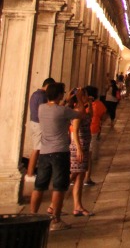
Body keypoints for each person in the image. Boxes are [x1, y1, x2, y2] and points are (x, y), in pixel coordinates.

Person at [30, 83, 83, 231]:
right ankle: (56, 220)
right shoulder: (63, 111)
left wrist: (65, 101)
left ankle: (32, 216)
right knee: (59, 187)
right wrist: (78, 99)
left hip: (45, 152)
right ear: (60, 94)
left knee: (39, 186)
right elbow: (81, 114)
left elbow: (57, 110)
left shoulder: (41, 108)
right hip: (60, 152)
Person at [66, 91, 93, 218]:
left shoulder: (84, 112)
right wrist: (79, 149)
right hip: (79, 148)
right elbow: (75, 132)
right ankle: (53, 204)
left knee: (80, 177)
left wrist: (89, 103)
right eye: (84, 95)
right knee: (73, 175)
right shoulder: (77, 113)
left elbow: (90, 116)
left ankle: (78, 207)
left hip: (84, 147)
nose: (87, 97)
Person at [25, 77, 55, 179]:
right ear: (47, 86)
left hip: (33, 122)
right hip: (39, 124)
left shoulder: (34, 94)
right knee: (37, 149)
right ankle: (29, 174)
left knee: (37, 148)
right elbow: (43, 112)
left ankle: (32, 172)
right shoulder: (42, 96)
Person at [84, 86, 105, 186]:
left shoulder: (80, 105)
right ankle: (86, 177)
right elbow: (103, 116)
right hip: (93, 130)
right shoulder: (98, 104)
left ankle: (77, 176)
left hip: (79, 131)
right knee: (88, 155)